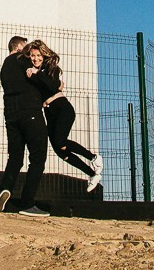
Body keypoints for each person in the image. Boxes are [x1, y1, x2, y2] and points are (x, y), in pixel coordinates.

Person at [24, 39, 103, 193]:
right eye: (32, 56)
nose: (35, 59)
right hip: (50, 112)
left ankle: (93, 157)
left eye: (38, 55)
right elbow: (52, 87)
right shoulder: (35, 72)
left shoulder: (50, 68)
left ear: (44, 55)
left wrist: (37, 74)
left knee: (60, 140)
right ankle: (92, 174)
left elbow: (53, 86)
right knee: (60, 150)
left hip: (62, 109)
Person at [0, 35, 50, 216]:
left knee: (15, 156)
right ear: (18, 48)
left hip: (11, 115)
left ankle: (4, 188)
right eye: (26, 50)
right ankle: (27, 203)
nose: (31, 55)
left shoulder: (4, 68)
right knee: (38, 157)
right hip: (29, 112)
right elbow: (37, 77)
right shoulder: (20, 60)